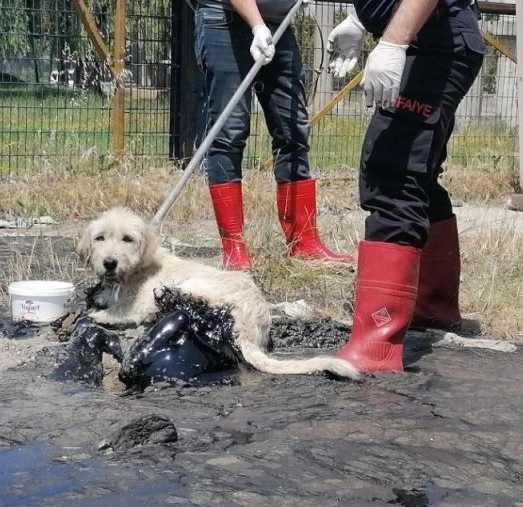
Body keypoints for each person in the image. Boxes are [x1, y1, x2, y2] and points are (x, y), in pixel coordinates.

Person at [326, 0, 485, 373]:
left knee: (393, 175)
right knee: (419, 177)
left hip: (433, 42)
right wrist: (359, 18)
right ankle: (434, 308)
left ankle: (376, 345)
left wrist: (395, 40)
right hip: (431, 37)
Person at [194, 0, 355, 271]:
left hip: (279, 23)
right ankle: (234, 249)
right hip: (225, 20)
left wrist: (355, 18)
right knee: (229, 132)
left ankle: (303, 243)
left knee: (293, 130)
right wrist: (257, 25)